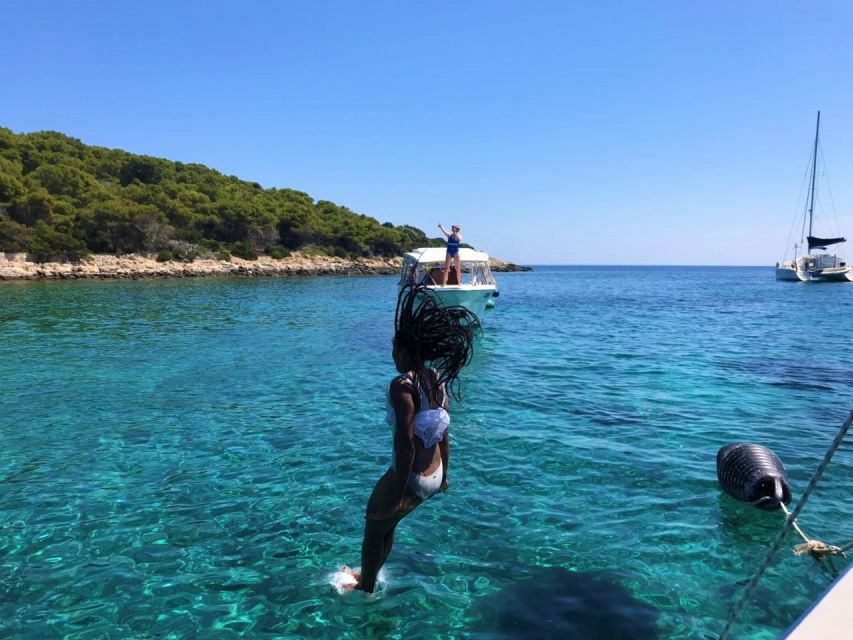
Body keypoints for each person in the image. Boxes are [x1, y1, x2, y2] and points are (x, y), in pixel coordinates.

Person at [341, 284, 479, 593]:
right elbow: (443, 431)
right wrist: (445, 477)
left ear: (404, 352)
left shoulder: (401, 386)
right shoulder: (437, 380)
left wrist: (396, 493)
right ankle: (369, 578)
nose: (392, 354)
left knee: (374, 526)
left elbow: (404, 446)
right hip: (435, 472)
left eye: (393, 348)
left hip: (412, 476)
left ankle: (366, 592)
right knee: (387, 526)